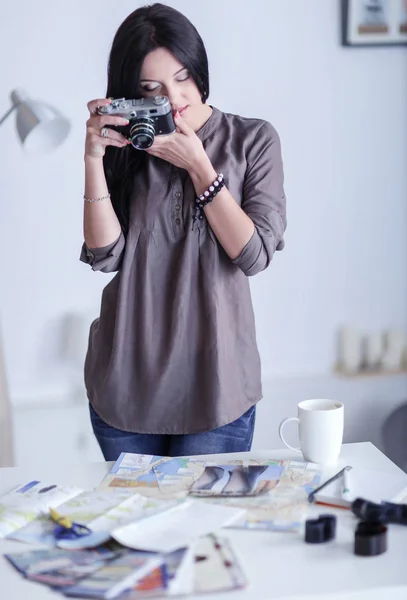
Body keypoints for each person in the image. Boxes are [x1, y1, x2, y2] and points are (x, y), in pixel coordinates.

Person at [81, 3, 287, 461]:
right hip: (126, 386)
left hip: (217, 386)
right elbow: (105, 256)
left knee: (205, 530)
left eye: (182, 78)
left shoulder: (252, 141)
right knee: (129, 530)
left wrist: (198, 165)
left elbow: (252, 255)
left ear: (199, 70)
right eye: (151, 89)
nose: (173, 98)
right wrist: (94, 159)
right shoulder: (132, 142)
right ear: (131, 94)